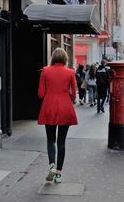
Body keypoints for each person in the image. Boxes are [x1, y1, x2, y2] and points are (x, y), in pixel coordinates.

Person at [37, 47, 78, 183]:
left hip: (49, 107)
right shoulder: (71, 72)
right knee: (61, 142)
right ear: (65, 58)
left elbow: (41, 94)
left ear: (53, 58)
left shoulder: (45, 71)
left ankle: (52, 166)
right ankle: (59, 174)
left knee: (50, 140)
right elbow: (73, 94)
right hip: (65, 107)